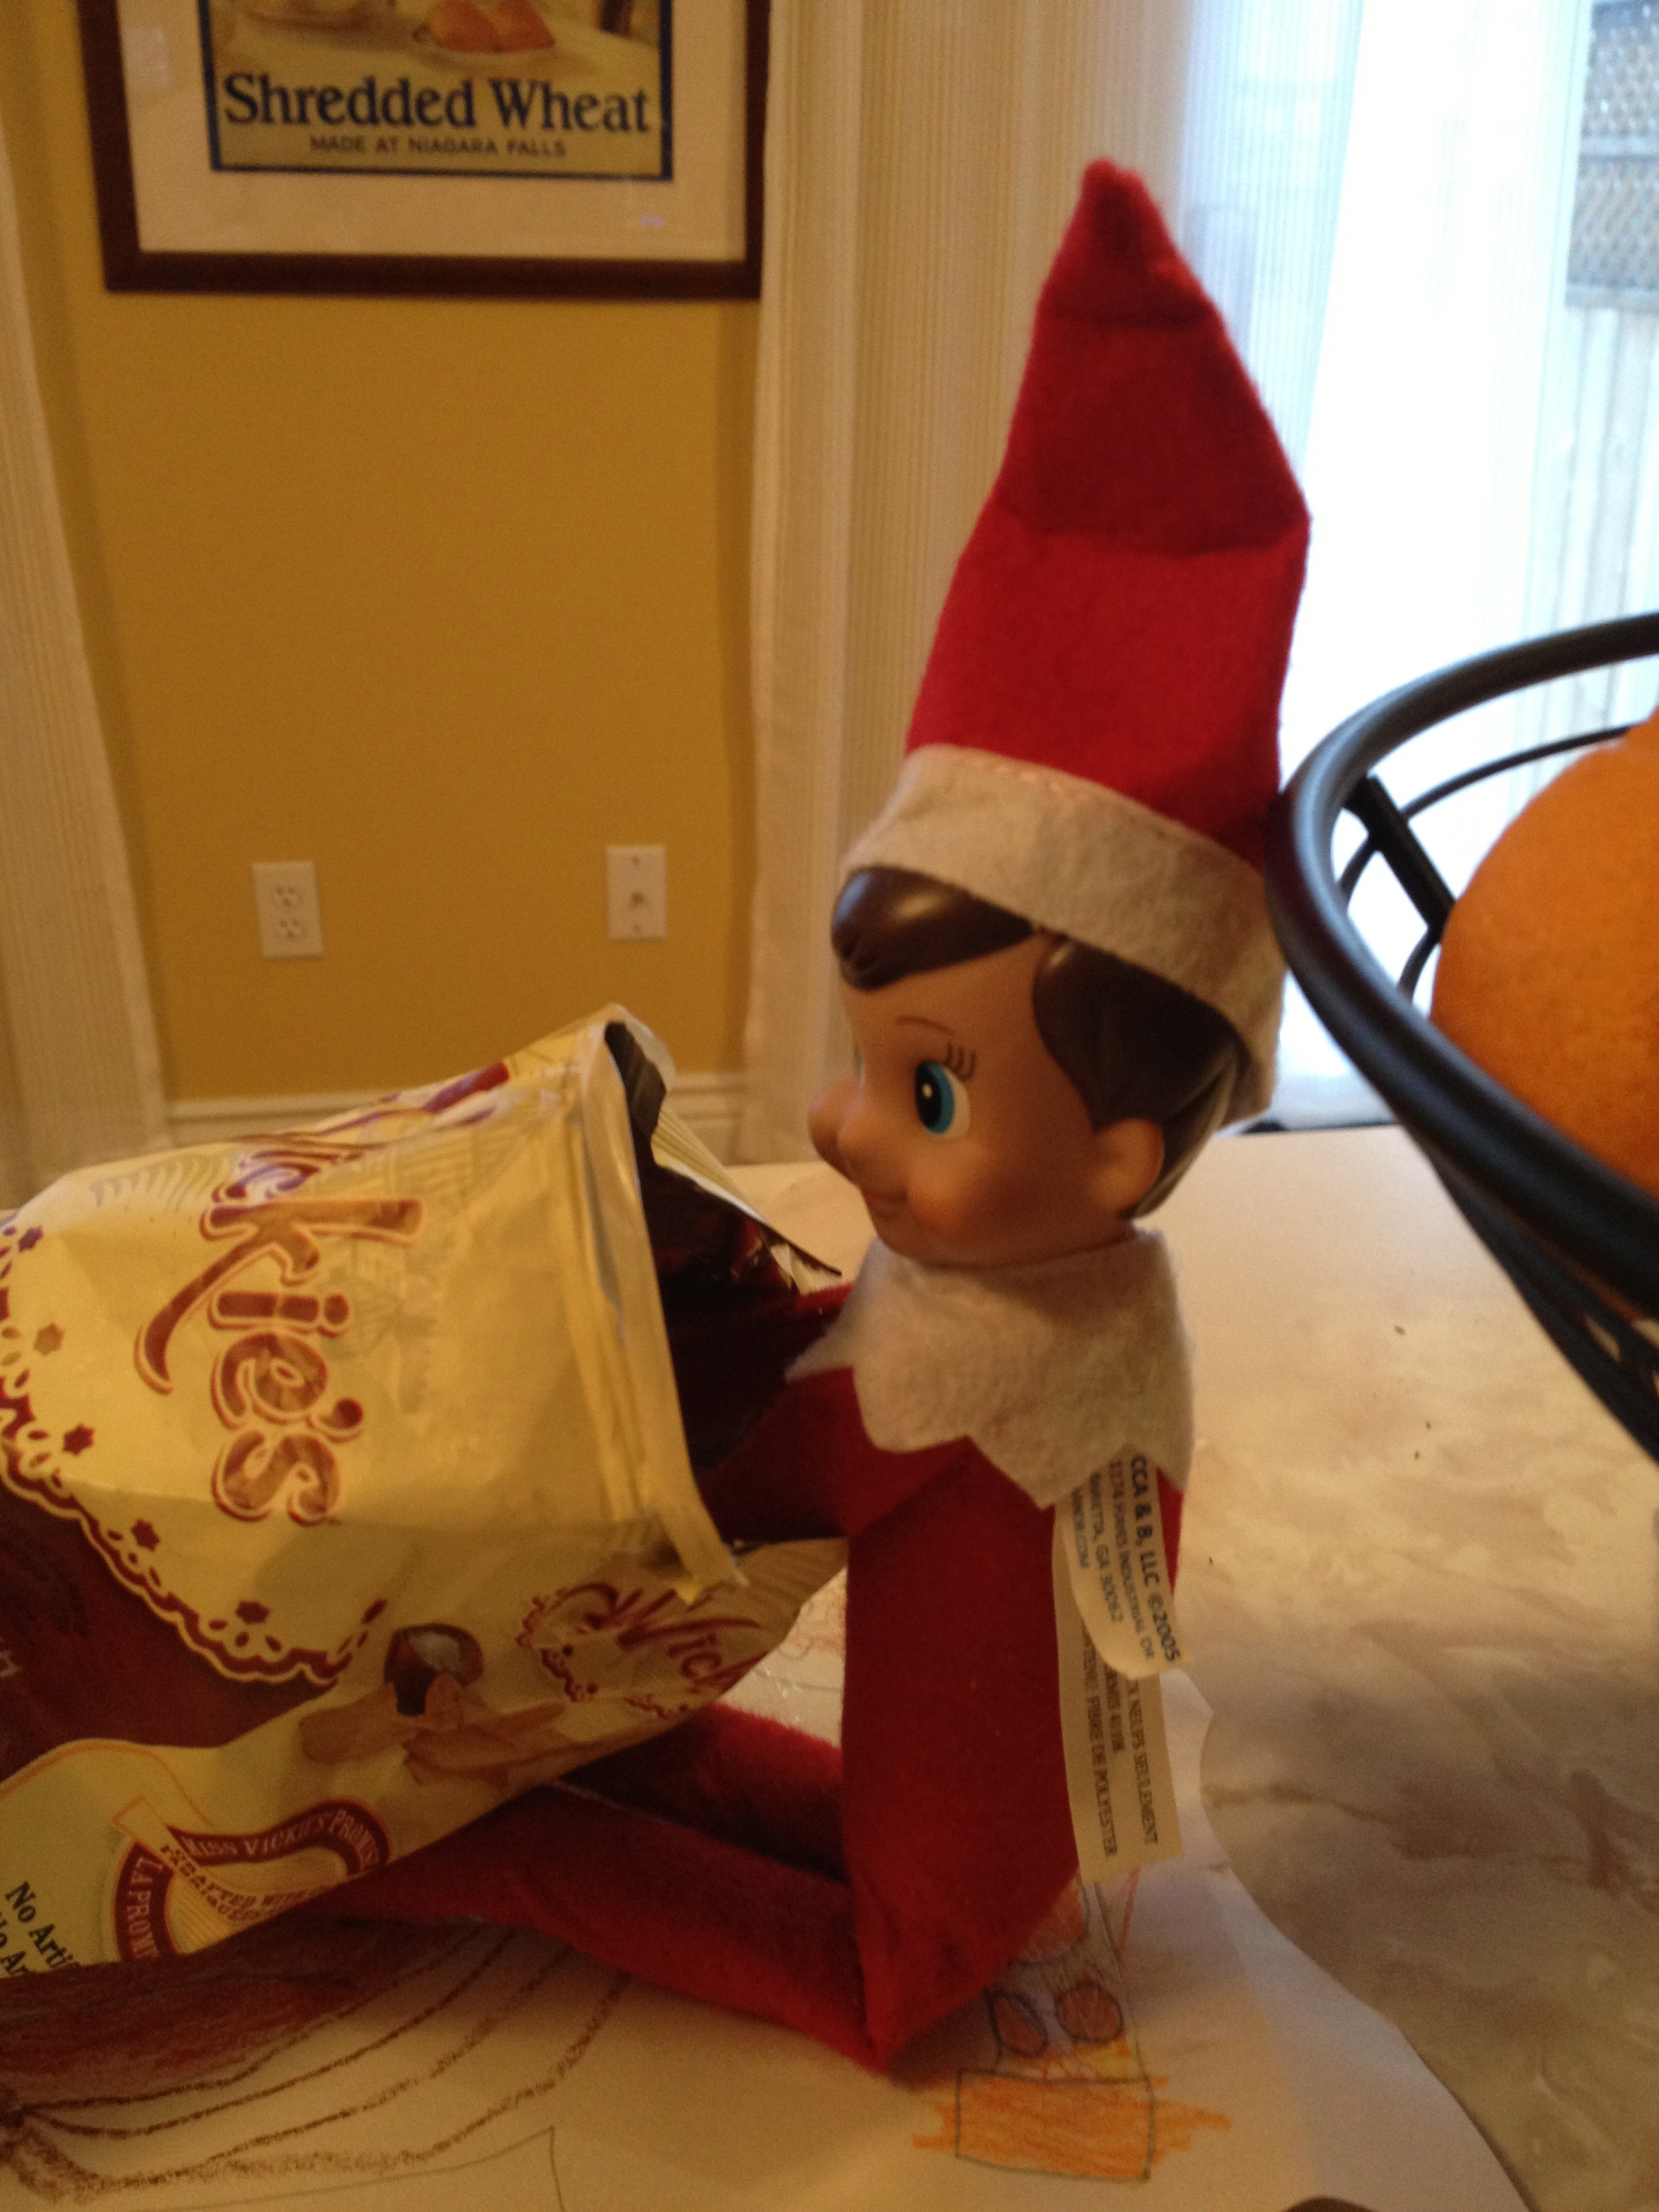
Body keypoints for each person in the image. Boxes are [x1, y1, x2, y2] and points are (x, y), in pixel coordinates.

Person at [322, 160, 1309, 2070]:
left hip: (935, 1921)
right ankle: (531, 1805)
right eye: (864, 1063)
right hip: (966, 1827)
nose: (843, 1127)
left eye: (924, 1090)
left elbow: (771, 1478)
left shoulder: (992, 1361)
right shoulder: (1095, 1308)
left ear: (1122, 1158)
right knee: (669, 1764)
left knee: (633, 1886)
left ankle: (436, 1859)